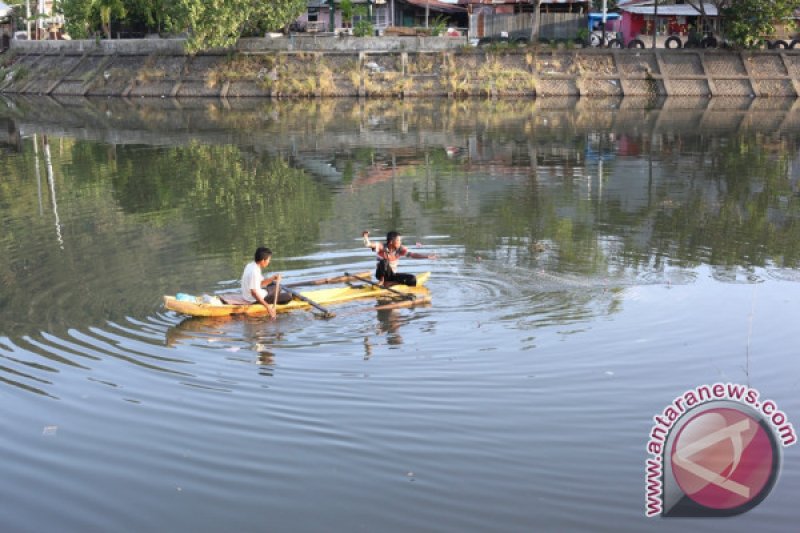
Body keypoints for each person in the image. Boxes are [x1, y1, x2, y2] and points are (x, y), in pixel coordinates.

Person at [362, 230, 436, 287]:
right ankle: (382, 281)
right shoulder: (382, 247)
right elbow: (368, 244)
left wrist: (426, 256)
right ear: (391, 242)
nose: (400, 242)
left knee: (413, 279)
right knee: (384, 261)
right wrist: (365, 236)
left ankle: (390, 283)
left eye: (400, 240)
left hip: (393, 276)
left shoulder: (400, 249)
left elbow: (412, 255)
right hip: (380, 274)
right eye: (398, 240)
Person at [241, 247, 291, 318]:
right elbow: (254, 293)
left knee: (277, 287)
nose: (269, 262)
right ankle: (274, 300)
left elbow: (261, 283)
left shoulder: (250, 265)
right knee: (288, 296)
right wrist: (268, 307)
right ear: (262, 260)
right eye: (268, 260)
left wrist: (273, 278)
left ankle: (274, 296)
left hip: (247, 296)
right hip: (253, 299)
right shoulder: (254, 272)